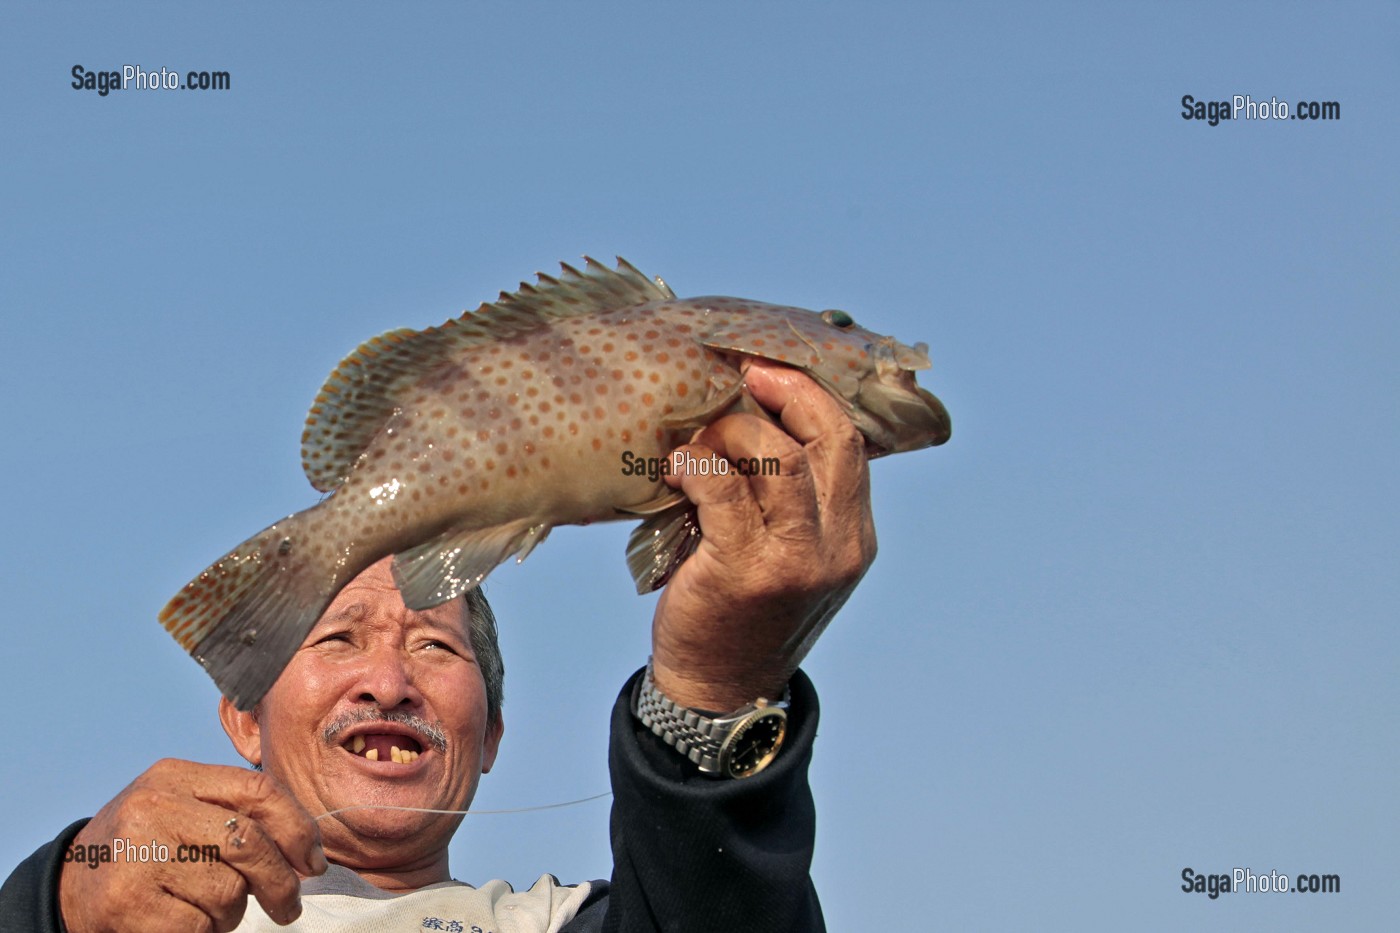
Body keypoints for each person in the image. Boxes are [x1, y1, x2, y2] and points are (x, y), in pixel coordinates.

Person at [0, 362, 878, 932]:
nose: (387, 682)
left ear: (492, 733)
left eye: (435, 647)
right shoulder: (131, 906)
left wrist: (715, 690)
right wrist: (54, 901)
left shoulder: (561, 922)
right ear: (241, 715)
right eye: (338, 636)